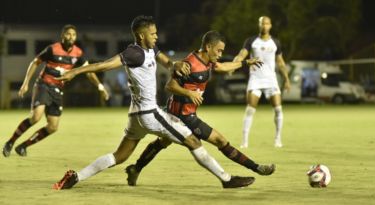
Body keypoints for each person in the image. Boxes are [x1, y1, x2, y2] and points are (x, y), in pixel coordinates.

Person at [52, 15, 255, 190]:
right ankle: (226, 179)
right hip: (149, 113)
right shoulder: (134, 52)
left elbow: (165, 60)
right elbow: (104, 65)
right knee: (193, 141)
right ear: (141, 35)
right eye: (153, 34)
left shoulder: (151, 49)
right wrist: (75, 72)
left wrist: (175, 64)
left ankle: (76, 177)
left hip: (136, 115)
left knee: (119, 156)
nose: (156, 36)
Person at [125, 30, 275, 186]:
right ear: (209, 47)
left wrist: (245, 62)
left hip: (180, 113)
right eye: (219, 50)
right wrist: (188, 93)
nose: (220, 54)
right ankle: (256, 168)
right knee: (220, 140)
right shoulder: (189, 64)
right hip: (183, 116)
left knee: (162, 143)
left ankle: (135, 169)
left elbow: (223, 67)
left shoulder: (207, 61)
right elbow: (169, 85)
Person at [2, 24, 109, 157]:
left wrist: (100, 87)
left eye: (74, 35)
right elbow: (35, 62)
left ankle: (23, 146)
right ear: (62, 35)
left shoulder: (78, 53)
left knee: (52, 127)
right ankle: (10, 142)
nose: (71, 37)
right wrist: (25, 83)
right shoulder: (52, 49)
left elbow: (88, 72)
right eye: (68, 34)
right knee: (36, 117)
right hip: (44, 85)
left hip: (58, 89)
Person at [233, 16, 291, 148]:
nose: (264, 26)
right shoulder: (251, 41)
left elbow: (281, 62)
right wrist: (233, 65)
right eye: (262, 24)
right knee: (250, 110)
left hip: (271, 80)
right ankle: (244, 140)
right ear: (259, 25)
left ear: (270, 25)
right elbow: (241, 55)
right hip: (256, 79)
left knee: (278, 109)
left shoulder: (275, 42)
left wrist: (286, 79)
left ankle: (277, 139)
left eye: (266, 23)